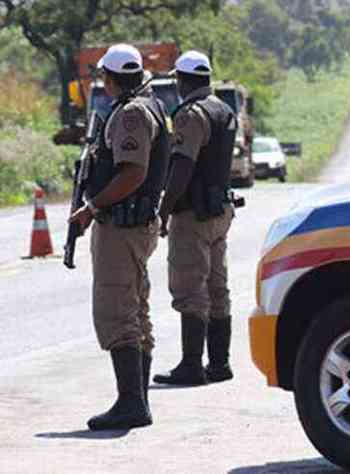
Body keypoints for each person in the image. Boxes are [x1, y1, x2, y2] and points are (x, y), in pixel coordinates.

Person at [69, 44, 171, 431]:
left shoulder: (131, 113)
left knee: (116, 311)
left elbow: (132, 173)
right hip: (135, 225)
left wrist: (92, 207)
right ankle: (137, 400)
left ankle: (131, 403)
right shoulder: (151, 105)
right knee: (135, 310)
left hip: (123, 227)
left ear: (111, 78)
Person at [153, 51, 237, 386]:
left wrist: (164, 207)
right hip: (221, 209)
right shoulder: (224, 109)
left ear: (182, 80)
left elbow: (183, 165)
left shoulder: (191, 114)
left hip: (194, 213)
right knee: (218, 286)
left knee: (190, 287)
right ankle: (219, 363)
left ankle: (191, 366)